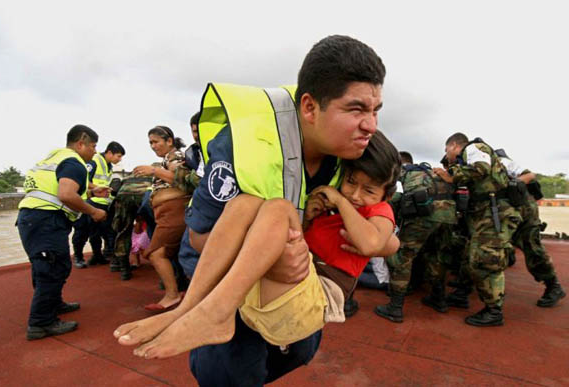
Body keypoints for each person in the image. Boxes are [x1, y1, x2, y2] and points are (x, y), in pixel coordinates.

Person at [114, 35, 387, 386]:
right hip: (220, 269)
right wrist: (272, 258)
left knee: (296, 352)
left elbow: (383, 232)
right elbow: (197, 238)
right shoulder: (243, 145)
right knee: (229, 374)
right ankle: (197, 311)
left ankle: (203, 315)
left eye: (375, 111)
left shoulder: (359, 151)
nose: (371, 126)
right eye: (356, 109)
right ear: (309, 107)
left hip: (296, 281)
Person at [111, 130, 399, 361]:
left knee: (277, 207)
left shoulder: (377, 210)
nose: (357, 194)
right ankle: (188, 306)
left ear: (385, 193)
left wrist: (339, 200)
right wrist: (311, 217)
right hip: (296, 280)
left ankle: (217, 314)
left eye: (369, 190)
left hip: (320, 295)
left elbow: (372, 242)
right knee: (245, 201)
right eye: (351, 182)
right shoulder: (326, 196)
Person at [17, 124, 108, 340]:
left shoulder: (56, 157)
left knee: (46, 265)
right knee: (53, 267)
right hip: (46, 220)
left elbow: (59, 185)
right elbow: (66, 194)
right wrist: (94, 211)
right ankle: (41, 323)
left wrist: (92, 189)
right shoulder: (74, 162)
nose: (95, 151)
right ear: (80, 144)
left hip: (32, 218)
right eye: (93, 146)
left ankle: (53, 304)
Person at [434, 133, 521, 327]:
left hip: (494, 213)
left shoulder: (473, 148)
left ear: (454, 145)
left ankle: (493, 311)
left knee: (486, 260)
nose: (447, 155)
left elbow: (480, 168)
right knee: (470, 257)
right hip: (485, 214)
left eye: (446, 150)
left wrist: (449, 175)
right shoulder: (467, 157)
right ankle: (463, 294)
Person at [375, 151, 457, 322]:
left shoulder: (401, 172)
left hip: (423, 216)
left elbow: (395, 198)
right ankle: (439, 298)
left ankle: (395, 308)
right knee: (436, 256)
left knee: (403, 257)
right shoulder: (432, 171)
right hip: (448, 218)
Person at [132, 126, 196, 311]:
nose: (153, 146)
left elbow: (182, 180)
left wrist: (154, 171)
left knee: (155, 253)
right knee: (175, 254)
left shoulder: (174, 157)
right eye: (150, 142)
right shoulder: (166, 159)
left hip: (173, 212)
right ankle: (185, 293)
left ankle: (172, 295)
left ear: (169, 141)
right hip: (165, 213)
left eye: (156, 141)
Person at [496, 149, 566, 307]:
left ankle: (554, 286)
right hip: (509, 212)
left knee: (532, 248)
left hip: (525, 212)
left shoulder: (503, 162)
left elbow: (529, 175)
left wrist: (513, 184)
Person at [72, 141, 125, 268]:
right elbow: (84, 180)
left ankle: (99, 255)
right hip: (91, 201)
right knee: (84, 231)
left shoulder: (109, 166)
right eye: (118, 156)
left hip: (103, 202)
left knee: (107, 232)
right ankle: (79, 257)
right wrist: (98, 188)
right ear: (109, 153)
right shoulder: (95, 161)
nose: (120, 159)